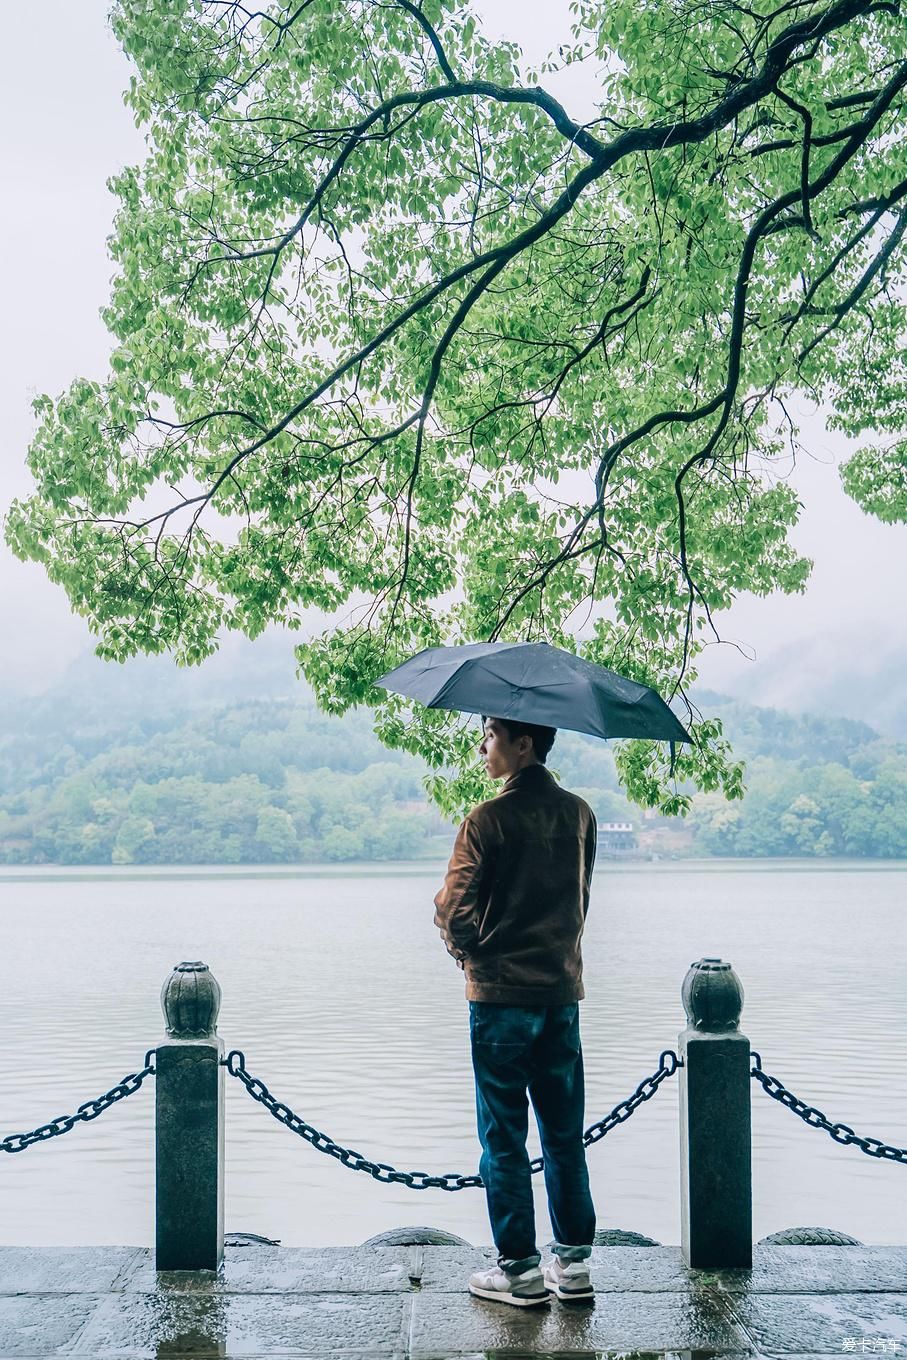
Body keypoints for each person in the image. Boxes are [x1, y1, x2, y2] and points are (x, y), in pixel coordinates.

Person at [433, 714, 598, 1308]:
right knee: (562, 1132)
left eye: (491, 736)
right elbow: (578, 900)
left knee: (503, 1135)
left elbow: (454, 912)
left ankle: (521, 1271)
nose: (483, 748)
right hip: (560, 995)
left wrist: (470, 954)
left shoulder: (486, 820)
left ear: (523, 743)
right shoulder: (579, 814)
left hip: (501, 999)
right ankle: (573, 1266)